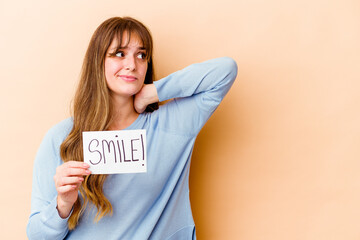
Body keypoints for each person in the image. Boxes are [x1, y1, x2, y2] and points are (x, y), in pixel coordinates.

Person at [26, 16, 237, 240]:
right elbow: (38, 236)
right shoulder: (62, 138)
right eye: (119, 53)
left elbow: (225, 71)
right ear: (98, 61)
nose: (132, 64)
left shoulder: (172, 124)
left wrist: (153, 91)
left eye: (141, 55)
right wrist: (63, 203)